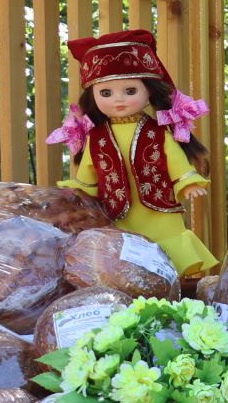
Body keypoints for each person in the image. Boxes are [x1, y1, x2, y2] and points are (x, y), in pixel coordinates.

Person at [45, 29, 218, 277]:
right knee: (123, 255)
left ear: (148, 90)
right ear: (93, 96)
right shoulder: (97, 136)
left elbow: (175, 160)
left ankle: (167, 282)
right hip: (116, 211)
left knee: (165, 244)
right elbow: (88, 172)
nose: (119, 100)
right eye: (106, 93)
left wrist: (187, 182)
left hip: (157, 209)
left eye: (130, 91)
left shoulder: (158, 131)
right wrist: (79, 192)